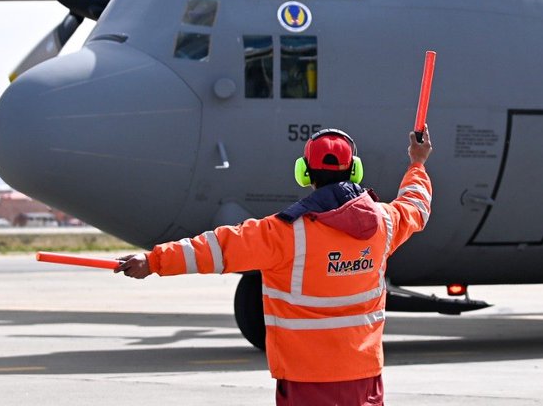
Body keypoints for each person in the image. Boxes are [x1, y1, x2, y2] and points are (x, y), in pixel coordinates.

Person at [116, 125, 433, 405]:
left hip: (305, 380)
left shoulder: (284, 233)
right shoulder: (385, 224)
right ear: (356, 172)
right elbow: (415, 205)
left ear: (304, 173)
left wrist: (153, 261)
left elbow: (215, 248)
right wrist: (417, 162)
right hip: (363, 376)